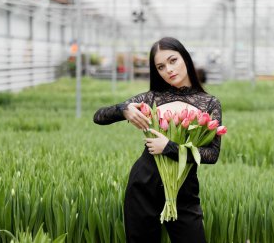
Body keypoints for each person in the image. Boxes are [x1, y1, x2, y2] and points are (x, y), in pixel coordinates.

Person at [93, 37, 222, 243]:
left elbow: (212, 154)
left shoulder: (209, 103)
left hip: (184, 192)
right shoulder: (152, 98)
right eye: (161, 67)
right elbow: (98, 117)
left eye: (173, 61)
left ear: (185, 59)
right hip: (143, 187)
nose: (169, 70)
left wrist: (169, 147)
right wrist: (123, 109)